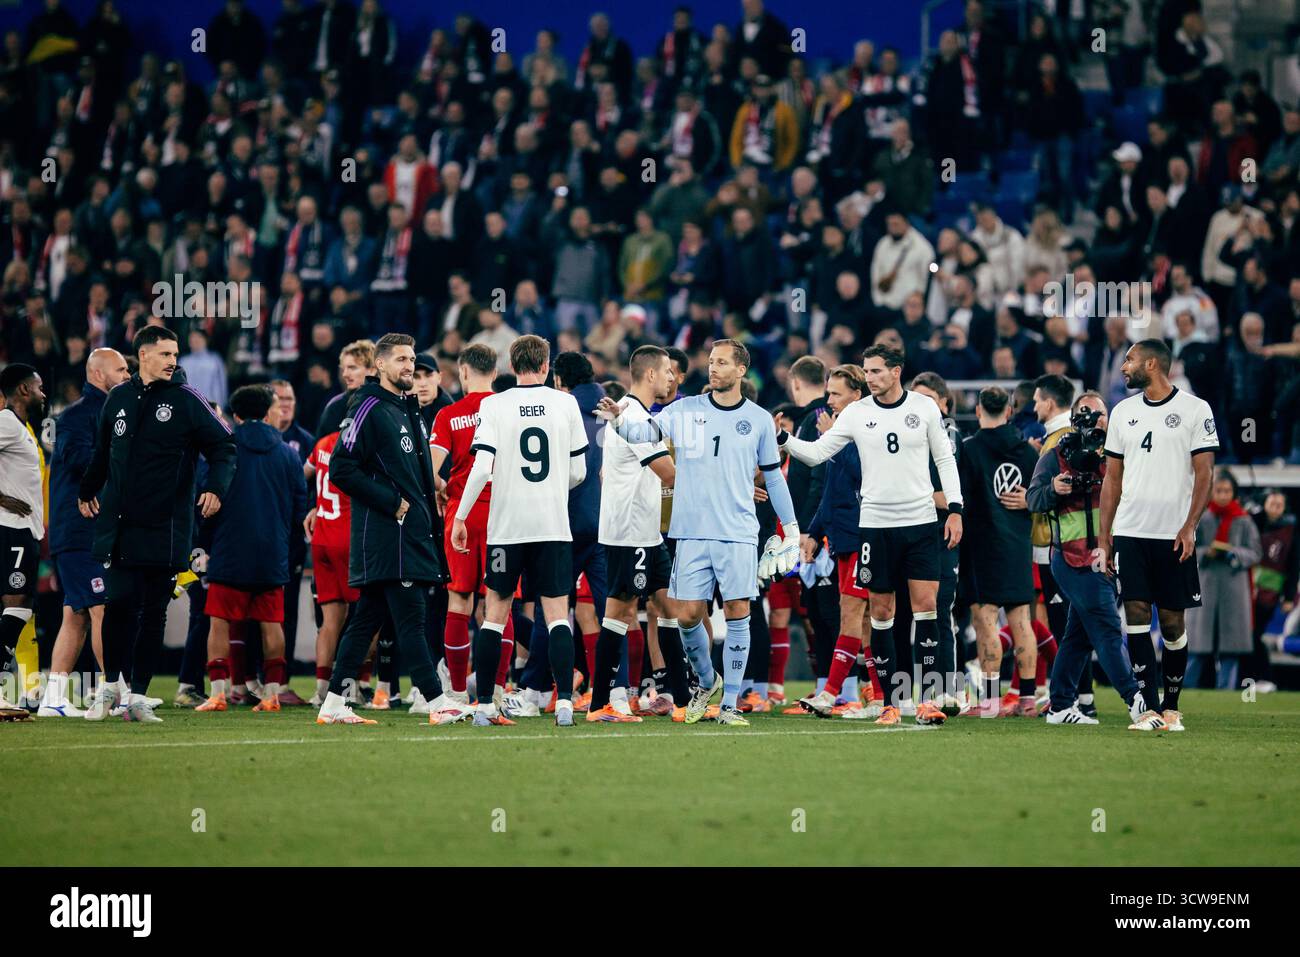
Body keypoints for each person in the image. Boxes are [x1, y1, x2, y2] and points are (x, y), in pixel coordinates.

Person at [598, 339, 802, 727]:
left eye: (722, 362)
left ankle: (730, 704)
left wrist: (791, 529)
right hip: (691, 532)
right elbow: (645, 434)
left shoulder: (759, 419)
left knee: (739, 611)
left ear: (741, 370)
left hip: (738, 531)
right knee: (688, 615)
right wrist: (620, 422)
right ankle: (707, 681)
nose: (713, 368)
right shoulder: (684, 410)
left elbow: (774, 479)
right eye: (710, 361)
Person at [779, 345, 963, 726]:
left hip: (920, 522)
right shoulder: (857, 414)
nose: (870, 377)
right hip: (875, 526)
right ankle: (890, 704)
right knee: (880, 614)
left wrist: (956, 509)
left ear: (896, 371)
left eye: (877, 371)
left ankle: (928, 699)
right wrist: (783, 439)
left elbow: (944, 459)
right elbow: (816, 453)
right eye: (867, 371)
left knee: (926, 607)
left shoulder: (924, 408)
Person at [78, 326, 237, 722]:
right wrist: (87, 490)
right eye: (165, 354)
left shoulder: (187, 399)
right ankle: (110, 687)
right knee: (117, 605)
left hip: (167, 527)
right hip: (121, 524)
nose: (172, 361)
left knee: (154, 613)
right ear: (144, 355)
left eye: (175, 354)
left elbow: (224, 445)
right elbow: (102, 453)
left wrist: (215, 488)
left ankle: (137, 696)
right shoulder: (118, 398)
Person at [452, 335, 589, 728]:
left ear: (512, 367)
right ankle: (564, 704)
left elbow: (482, 468)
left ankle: (484, 706)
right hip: (552, 526)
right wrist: (551, 488)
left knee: (495, 615)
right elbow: (579, 471)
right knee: (557, 615)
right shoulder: (566, 403)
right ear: (546, 366)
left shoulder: (494, 404)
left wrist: (461, 516)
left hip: (507, 527)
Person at [314, 333, 448, 726]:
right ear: (380, 365)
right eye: (401, 359)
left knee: (364, 623)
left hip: (410, 533)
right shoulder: (368, 405)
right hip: (390, 536)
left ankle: (333, 703)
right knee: (411, 620)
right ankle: (438, 702)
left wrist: (433, 488)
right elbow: (341, 468)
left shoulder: (406, 408)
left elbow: (407, 469)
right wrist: (393, 502)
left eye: (412, 359)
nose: (409, 366)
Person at [1099, 338, 1218, 733]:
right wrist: (1104, 538)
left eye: (1129, 359)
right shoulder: (1122, 412)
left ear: (1151, 364)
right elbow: (1112, 479)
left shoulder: (1195, 409)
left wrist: (1190, 526)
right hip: (1131, 531)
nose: (1123, 367)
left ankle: (1172, 707)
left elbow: (1205, 473)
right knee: (1134, 614)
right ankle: (1147, 708)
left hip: (1172, 534)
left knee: (1171, 622)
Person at [1026, 391, 1164, 728]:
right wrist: (1053, 490)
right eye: (1087, 413)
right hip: (1073, 559)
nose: (1094, 419)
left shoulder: (1118, 453)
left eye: (1100, 413)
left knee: (1078, 636)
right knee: (1107, 629)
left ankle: (1060, 706)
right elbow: (1033, 500)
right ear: (1074, 418)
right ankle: (1136, 703)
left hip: (1107, 558)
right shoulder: (1056, 455)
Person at [196, 385, 310, 713]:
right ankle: (272, 694)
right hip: (272, 552)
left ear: (236, 415)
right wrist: (285, 546)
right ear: (267, 412)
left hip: (229, 549)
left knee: (219, 622)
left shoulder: (225, 448)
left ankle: (218, 694)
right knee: (271, 624)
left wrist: (206, 543)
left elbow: (206, 498)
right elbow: (299, 508)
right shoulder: (288, 454)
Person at [589, 345, 680, 722]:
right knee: (620, 611)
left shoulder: (636, 415)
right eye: (668, 370)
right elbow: (669, 474)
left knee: (669, 606)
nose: (673, 377)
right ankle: (602, 703)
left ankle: (680, 698)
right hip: (629, 531)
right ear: (651, 374)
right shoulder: (632, 416)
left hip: (647, 531)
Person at [39, 347, 131, 717]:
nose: (127, 375)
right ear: (97, 373)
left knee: (75, 615)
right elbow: (78, 459)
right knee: (100, 608)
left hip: (90, 530)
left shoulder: (112, 412)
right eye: (120, 369)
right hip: (80, 530)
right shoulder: (78, 415)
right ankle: (118, 693)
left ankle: (53, 698)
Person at [799, 363, 884, 718]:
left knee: (852, 615)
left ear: (857, 395)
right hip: (844, 538)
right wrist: (815, 532)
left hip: (864, 536)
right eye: (828, 393)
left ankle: (830, 693)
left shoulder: (869, 429)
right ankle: (878, 698)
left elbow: (868, 475)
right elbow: (832, 492)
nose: (829, 400)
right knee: (864, 622)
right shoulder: (841, 433)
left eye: (836, 393)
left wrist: (834, 438)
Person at [958, 386, 1040, 717]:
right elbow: (1038, 497)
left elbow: (961, 499)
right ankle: (1028, 700)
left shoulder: (969, 450)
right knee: (1022, 621)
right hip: (1018, 546)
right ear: (1009, 411)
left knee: (985, 621)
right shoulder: (1028, 453)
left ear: (979, 411)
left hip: (983, 546)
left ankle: (991, 702)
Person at [429, 343, 499, 718]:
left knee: (459, 602)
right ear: (495, 372)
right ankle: (497, 692)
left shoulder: (449, 414)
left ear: (464, 372)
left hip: (463, 513)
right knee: (498, 604)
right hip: (504, 514)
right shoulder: (507, 408)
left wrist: (443, 489)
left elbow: (431, 469)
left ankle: (457, 694)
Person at [0, 364, 47, 717]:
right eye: (39, 387)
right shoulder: (6, 423)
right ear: (23, 390)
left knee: (20, 605)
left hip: (24, 529)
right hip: (11, 528)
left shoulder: (20, 427)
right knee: (17, 604)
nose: (44, 394)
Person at [1186, 470, 1260, 689]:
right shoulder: (1199, 517)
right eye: (1219, 490)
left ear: (1233, 493)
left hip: (1234, 588)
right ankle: (1186, 689)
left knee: (1231, 648)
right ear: (1211, 492)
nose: (1223, 495)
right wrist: (1205, 552)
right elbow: (1186, 548)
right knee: (1198, 646)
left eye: (1227, 491)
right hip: (1205, 585)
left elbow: (1256, 552)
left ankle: (1225, 690)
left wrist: (1234, 554)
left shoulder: (1244, 520)